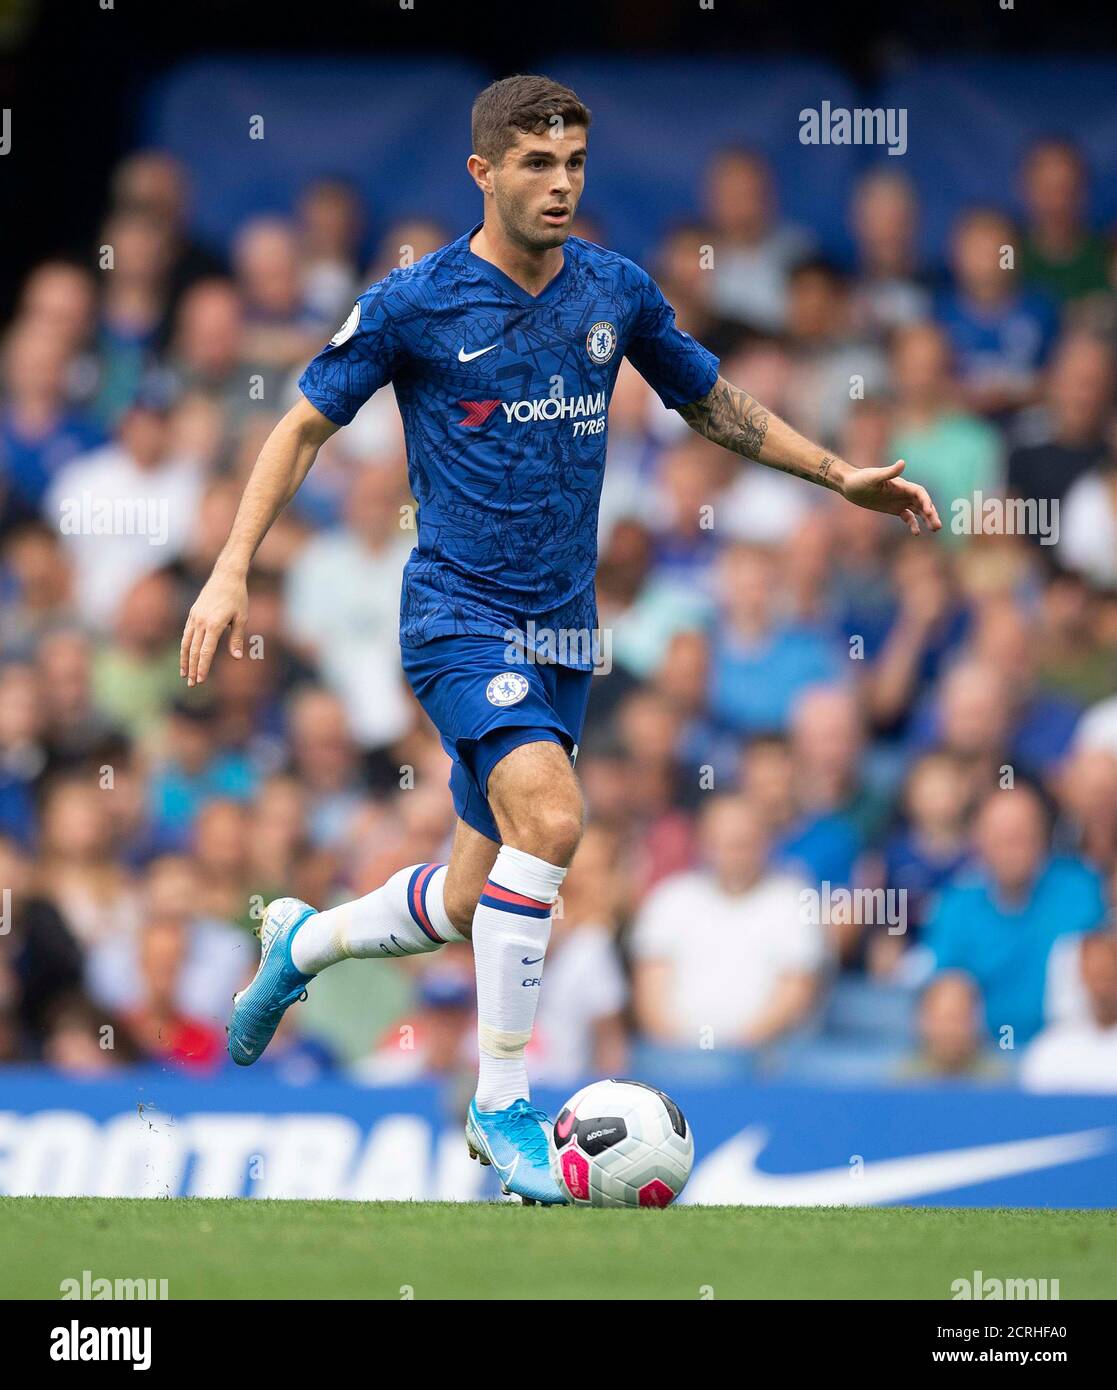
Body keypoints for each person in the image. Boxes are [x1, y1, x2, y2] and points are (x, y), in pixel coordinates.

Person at [180, 75, 939, 1205]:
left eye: (575, 162)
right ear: (482, 172)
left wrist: (839, 475)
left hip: (565, 635)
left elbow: (713, 401)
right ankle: (500, 1101)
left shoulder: (614, 289)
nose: (562, 183)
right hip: (453, 616)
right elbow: (299, 426)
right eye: (537, 164)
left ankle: (303, 941)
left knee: (465, 897)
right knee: (556, 820)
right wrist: (231, 568)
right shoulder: (414, 301)